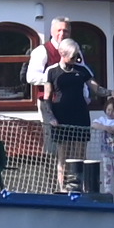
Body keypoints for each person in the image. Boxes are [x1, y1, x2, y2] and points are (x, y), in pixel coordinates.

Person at [41, 30, 102, 181]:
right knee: (64, 155)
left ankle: (80, 185)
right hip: (61, 116)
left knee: (80, 154)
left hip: (80, 115)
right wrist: (51, 117)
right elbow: (47, 97)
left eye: (77, 56)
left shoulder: (82, 69)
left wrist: (111, 93)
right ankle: (63, 188)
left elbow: (96, 88)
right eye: (72, 56)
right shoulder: (52, 71)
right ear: (62, 53)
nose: (76, 59)